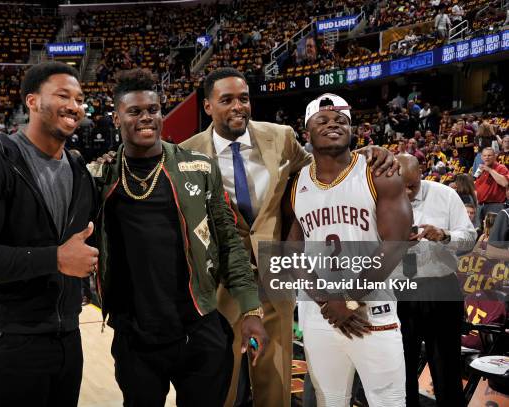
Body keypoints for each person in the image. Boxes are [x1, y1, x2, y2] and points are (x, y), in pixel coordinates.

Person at [180, 69, 397, 407]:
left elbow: (325, 166)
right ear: (208, 106)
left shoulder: (280, 137)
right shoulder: (187, 153)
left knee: (275, 382)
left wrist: (368, 153)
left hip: (274, 280)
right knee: (221, 380)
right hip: (221, 282)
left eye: (244, 98)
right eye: (227, 100)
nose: (238, 106)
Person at [89, 69, 268, 407]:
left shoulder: (198, 167)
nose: (146, 118)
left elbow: (229, 240)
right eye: (135, 111)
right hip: (136, 334)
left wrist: (250, 309)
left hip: (198, 326)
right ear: (116, 118)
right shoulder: (100, 176)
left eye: (153, 110)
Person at [0, 61, 97, 407]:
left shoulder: (78, 170)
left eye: (79, 98)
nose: (75, 106)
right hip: (5, 342)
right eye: (63, 95)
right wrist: (56, 259)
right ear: (31, 101)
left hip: (67, 340)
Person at [282, 93, 412, 407]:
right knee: (330, 400)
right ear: (307, 132)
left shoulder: (378, 172)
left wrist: (349, 299)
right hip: (320, 314)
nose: (333, 125)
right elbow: (292, 249)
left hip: (371, 312)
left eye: (341, 120)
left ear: (352, 130)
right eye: (322, 120)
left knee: (389, 401)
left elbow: (396, 243)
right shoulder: (297, 182)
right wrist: (327, 300)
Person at [395, 154, 476, 407]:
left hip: (440, 287)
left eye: (412, 185)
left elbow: (470, 238)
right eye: (401, 185)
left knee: (446, 368)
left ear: (421, 174)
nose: (407, 192)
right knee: (399, 368)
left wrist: (444, 235)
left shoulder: (445, 195)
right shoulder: (378, 200)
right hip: (398, 290)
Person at [474, 147, 509, 227]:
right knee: (481, 231)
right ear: (482, 157)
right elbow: (476, 187)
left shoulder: (501, 167)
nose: (487, 157)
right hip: (480, 206)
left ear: (494, 156)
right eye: (485, 155)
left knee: (494, 230)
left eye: (489, 155)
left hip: (495, 206)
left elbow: (505, 183)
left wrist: (489, 170)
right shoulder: (480, 169)